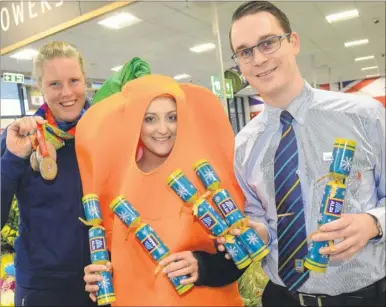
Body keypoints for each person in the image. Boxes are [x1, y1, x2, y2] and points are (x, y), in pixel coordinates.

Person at [218, 1, 385, 306]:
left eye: (268, 43)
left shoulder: (365, 115)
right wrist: (255, 231)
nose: (258, 59)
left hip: (362, 297)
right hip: (281, 297)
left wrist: (373, 223)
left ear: (293, 42)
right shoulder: (244, 143)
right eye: (245, 51)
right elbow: (257, 215)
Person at [77, 74, 246, 305]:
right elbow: (114, 259)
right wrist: (99, 277)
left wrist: (203, 266)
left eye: (172, 117)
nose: (163, 129)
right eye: (150, 119)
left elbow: (243, 253)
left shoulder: (206, 174)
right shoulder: (115, 186)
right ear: (135, 123)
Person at [1, 41, 95, 306]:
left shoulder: (102, 134)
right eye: (54, 84)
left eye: (74, 80)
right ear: (39, 88)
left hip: (100, 280)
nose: (67, 93)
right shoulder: (22, 138)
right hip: (42, 287)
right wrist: (12, 160)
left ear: (85, 81)